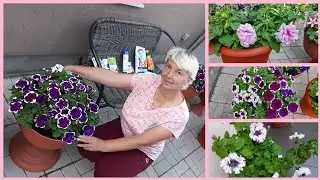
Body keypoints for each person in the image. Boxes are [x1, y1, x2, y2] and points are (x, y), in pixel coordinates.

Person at [64, 47, 199, 177]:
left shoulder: (178, 116)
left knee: (104, 172)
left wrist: (103, 145)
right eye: (168, 66)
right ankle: (113, 160)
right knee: (85, 146)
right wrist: (72, 69)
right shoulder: (149, 80)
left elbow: (142, 141)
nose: (169, 75)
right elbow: (110, 77)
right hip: (124, 126)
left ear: (187, 81)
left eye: (178, 72)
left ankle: (125, 169)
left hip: (142, 149)